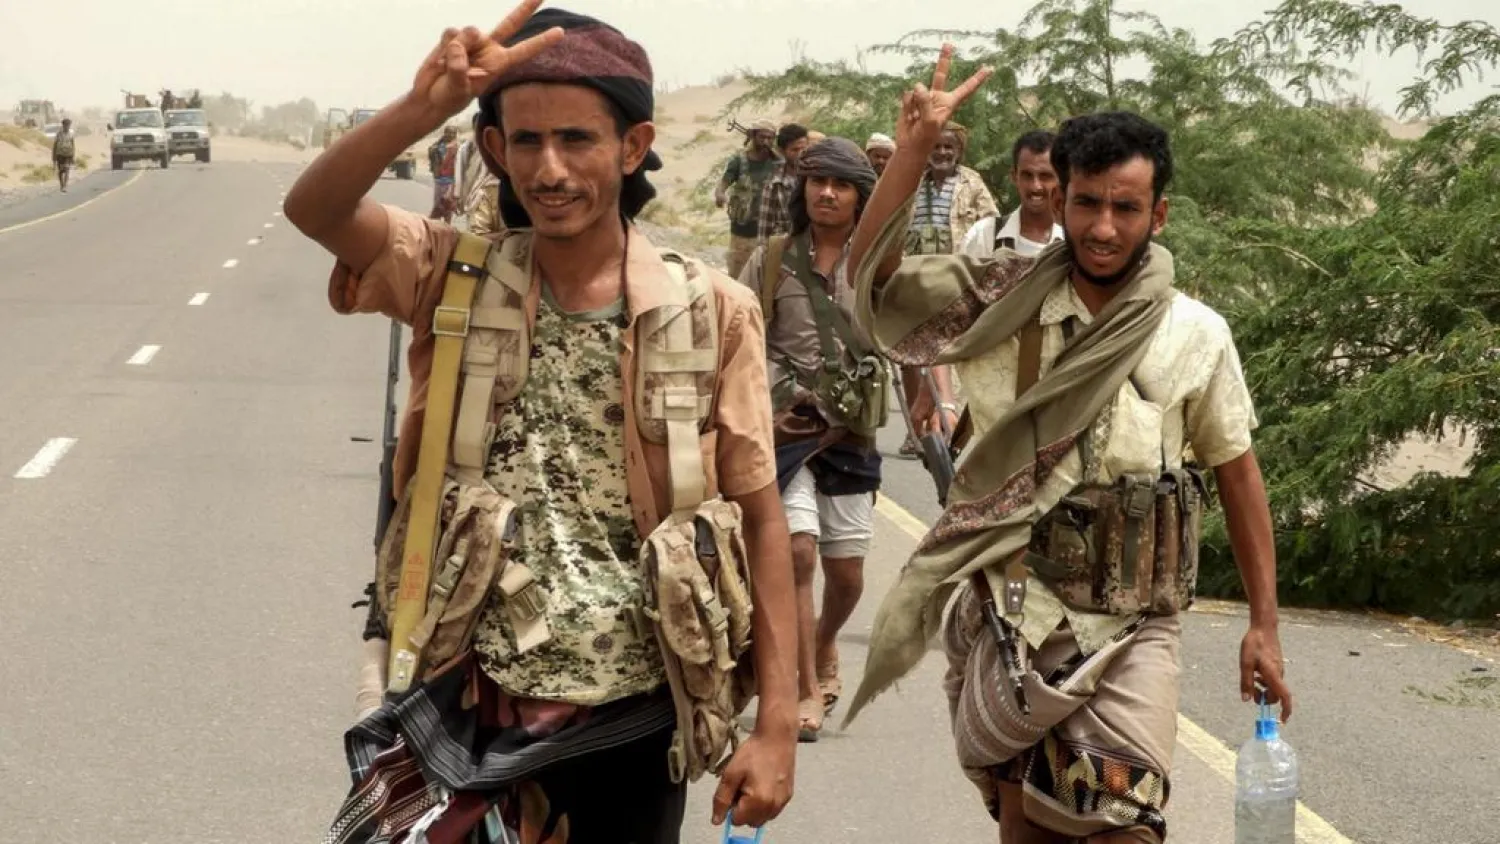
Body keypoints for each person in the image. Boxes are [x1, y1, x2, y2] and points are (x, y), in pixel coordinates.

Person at [283, 4, 799, 841]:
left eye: (578, 140)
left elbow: (763, 519)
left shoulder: (713, 309)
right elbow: (315, 209)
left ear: (632, 148)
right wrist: (426, 106)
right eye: (525, 142)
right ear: (494, 151)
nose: (550, 170)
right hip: (467, 701)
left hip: (635, 715)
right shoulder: (449, 276)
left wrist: (778, 726)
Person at [840, 48, 1293, 844]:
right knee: (1030, 830)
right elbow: (872, 295)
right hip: (1021, 611)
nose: (1104, 227)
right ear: (1062, 197)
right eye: (1088, 203)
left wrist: (1265, 623)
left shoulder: (1195, 333)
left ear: (1160, 214)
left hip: (1135, 625)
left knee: (1126, 823)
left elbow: (1237, 472)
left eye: (1126, 207)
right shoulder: (1001, 300)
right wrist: (910, 153)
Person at [737, 137, 883, 743]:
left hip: (851, 432)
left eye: (841, 185)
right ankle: (801, 688)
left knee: (846, 574)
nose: (826, 193)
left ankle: (823, 644)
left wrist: (935, 398)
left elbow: (908, 329)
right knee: (797, 552)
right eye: (817, 181)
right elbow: (741, 337)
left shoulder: (875, 264)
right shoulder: (770, 260)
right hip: (787, 429)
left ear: (859, 197)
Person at [896, 118, 998, 457]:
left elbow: (991, 227)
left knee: (949, 356)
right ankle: (915, 431)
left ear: (959, 151)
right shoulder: (911, 183)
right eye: (936, 147)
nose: (942, 152)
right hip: (914, 280)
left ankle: (949, 427)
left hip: (954, 283)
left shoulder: (972, 183)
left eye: (948, 147)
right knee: (910, 357)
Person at [959, 129, 1064, 260]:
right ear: (1014, 177)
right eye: (1027, 175)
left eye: (1045, 176)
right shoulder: (984, 236)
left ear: (1061, 179)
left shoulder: (1072, 242)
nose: (1035, 186)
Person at [715, 118, 779, 277]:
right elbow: (723, 184)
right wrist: (720, 195)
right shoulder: (739, 161)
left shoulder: (777, 162)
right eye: (762, 137)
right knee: (738, 274)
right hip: (742, 231)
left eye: (770, 138)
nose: (766, 141)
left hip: (769, 231)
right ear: (753, 136)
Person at [756, 122, 810, 246]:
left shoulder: (819, 178)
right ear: (782, 151)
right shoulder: (774, 185)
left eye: (804, 149)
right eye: (795, 150)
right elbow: (765, 229)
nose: (801, 154)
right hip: (786, 249)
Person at [52, 118, 76, 193]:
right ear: (63, 125)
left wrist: (73, 155)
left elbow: (73, 144)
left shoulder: (71, 133)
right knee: (61, 171)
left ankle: (65, 186)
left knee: (67, 169)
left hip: (68, 154)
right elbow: (55, 145)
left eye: (68, 125)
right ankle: (61, 185)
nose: (67, 127)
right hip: (60, 154)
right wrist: (54, 156)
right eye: (66, 125)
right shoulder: (59, 134)